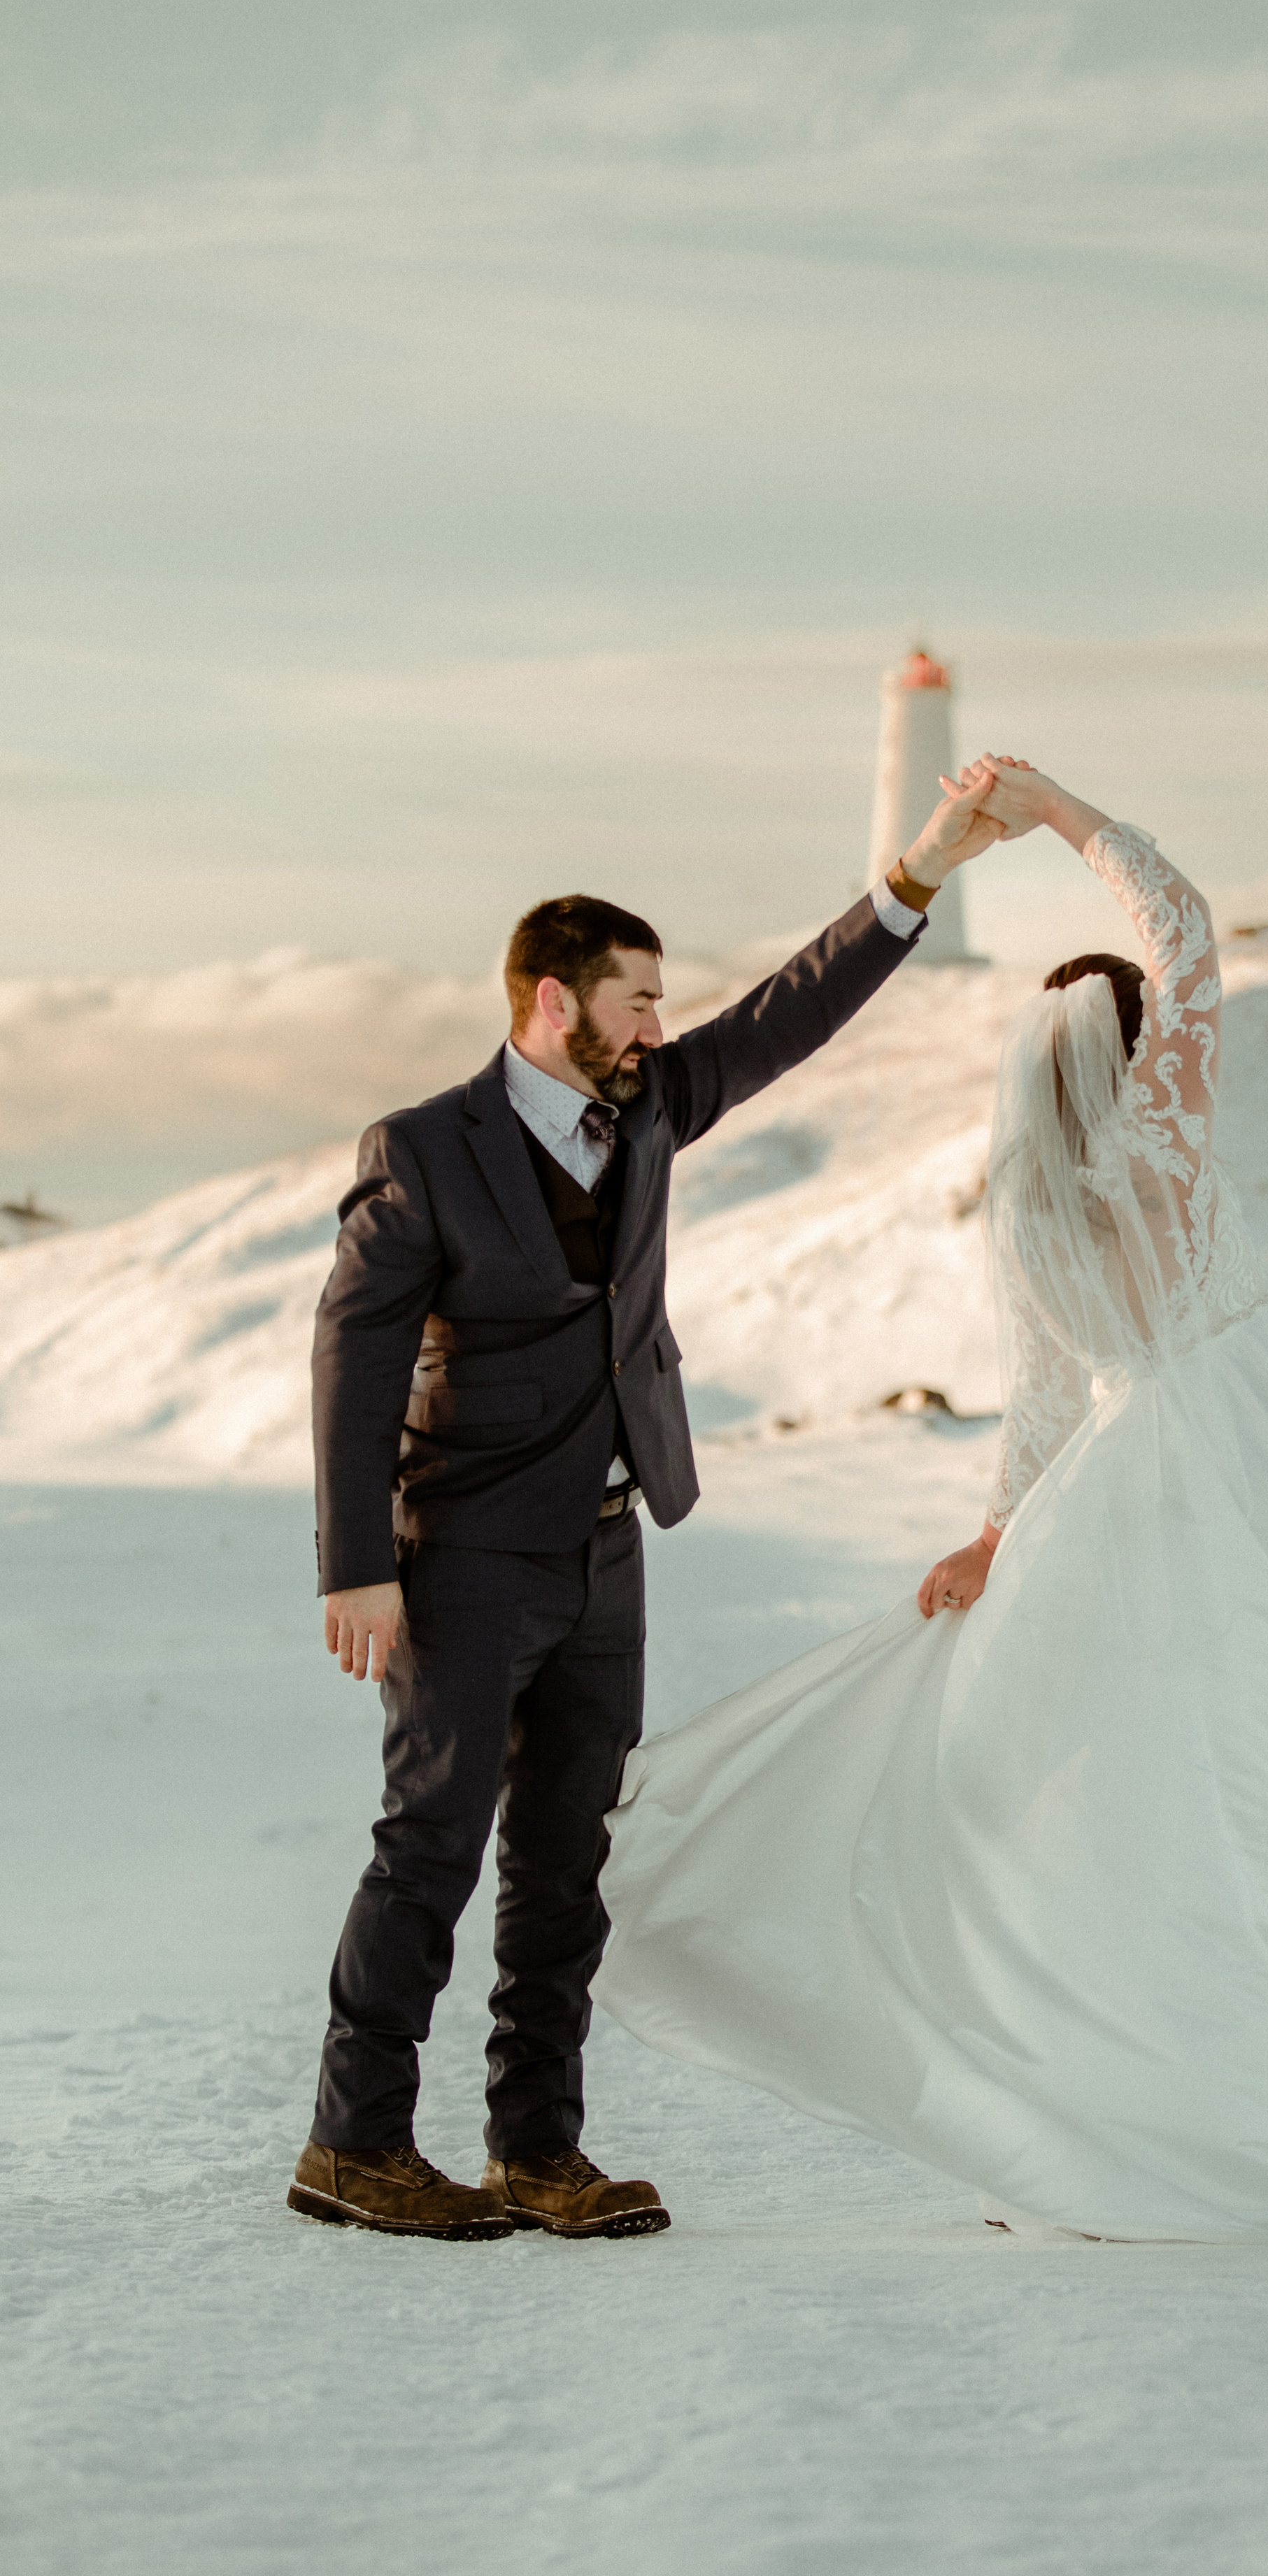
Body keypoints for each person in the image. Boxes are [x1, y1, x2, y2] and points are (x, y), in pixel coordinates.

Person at [593, 758, 1268, 2243]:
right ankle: (1227, 2115)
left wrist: (994, 1533)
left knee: (1130, 1805)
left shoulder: (1029, 1207)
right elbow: (1191, 929)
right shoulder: (1163, 1133)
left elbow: (1042, 1394)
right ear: (1136, 1049)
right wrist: (1063, 817)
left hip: (1110, 1489)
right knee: (1257, 1787)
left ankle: (1096, 2109)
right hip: (1243, 1466)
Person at [287, 777, 1005, 2242]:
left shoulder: (651, 1107)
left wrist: (921, 870)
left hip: (605, 1548)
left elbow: (786, 1015)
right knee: (431, 1841)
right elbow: (352, 1364)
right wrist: (356, 1567)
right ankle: (353, 2144)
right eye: (637, 1001)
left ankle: (532, 2150)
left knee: (567, 1857)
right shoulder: (424, 1150)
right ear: (555, 1003)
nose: (661, 1026)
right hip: (466, 1552)